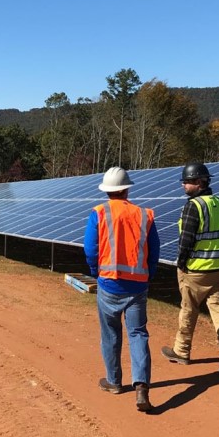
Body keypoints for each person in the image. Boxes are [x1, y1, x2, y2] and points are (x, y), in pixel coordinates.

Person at [84, 166, 160, 412]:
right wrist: (148, 275)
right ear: (127, 189)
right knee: (138, 334)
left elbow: (90, 249)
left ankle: (114, 381)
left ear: (107, 190)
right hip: (138, 286)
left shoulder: (98, 213)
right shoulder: (144, 215)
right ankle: (141, 387)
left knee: (111, 334)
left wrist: (96, 272)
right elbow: (154, 251)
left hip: (109, 284)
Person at [161, 162, 219, 377]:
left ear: (199, 182)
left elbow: (186, 240)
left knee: (188, 309)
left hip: (197, 270)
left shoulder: (193, 206)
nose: (183, 185)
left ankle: (181, 351)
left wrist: (182, 263)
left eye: (187, 182)